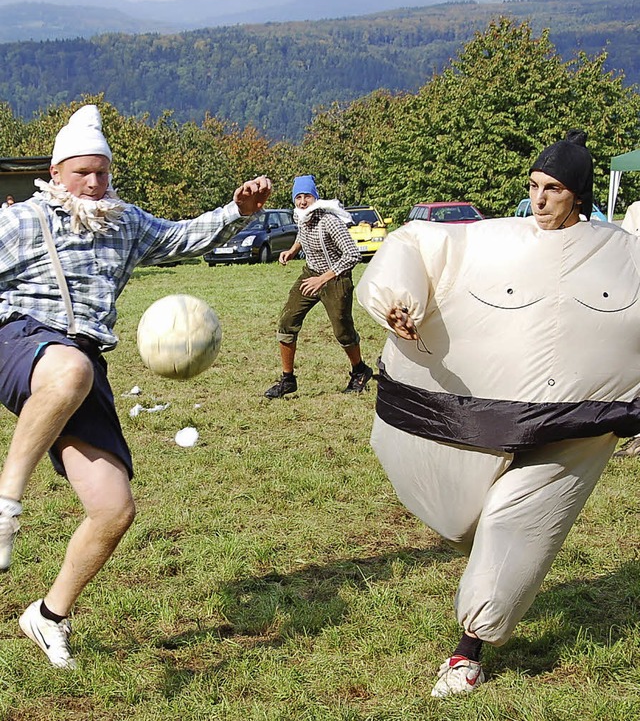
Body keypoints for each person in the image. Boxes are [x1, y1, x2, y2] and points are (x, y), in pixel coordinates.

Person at [356, 130, 640, 697]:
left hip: (581, 423)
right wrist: (397, 302)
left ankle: (469, 650)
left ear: (578, 195)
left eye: (553, 189)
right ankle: (476, 593)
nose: (539, 199)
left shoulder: (621, 254)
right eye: (533, 186)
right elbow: (414, 244)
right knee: (465, 518)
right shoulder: (493, 241)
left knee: (516, 520)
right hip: (480, 415)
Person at [0, 104, 271, 669]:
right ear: (55, 175)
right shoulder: (22, 221)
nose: (95, 183)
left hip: (81, 361)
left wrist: (238, 212)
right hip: (20, 339)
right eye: (82, 173)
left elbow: (181, 238)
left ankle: (48, 616)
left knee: (114, 507)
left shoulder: (124, 221)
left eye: (102, 171)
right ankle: (5, 504)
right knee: (70, 368)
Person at [264, 175, 373, 398]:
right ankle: (287, 380)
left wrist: (323, 279)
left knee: (342, 331)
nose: (303, 202)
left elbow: (353, 255)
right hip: (311, 273)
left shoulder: (329, 221)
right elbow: (303, 234)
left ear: (316, 197)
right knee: (287, 322)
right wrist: (293, 250)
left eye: (307, 197)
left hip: (336, 278)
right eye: (299, 197)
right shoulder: (301, 217)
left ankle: (360, 371)